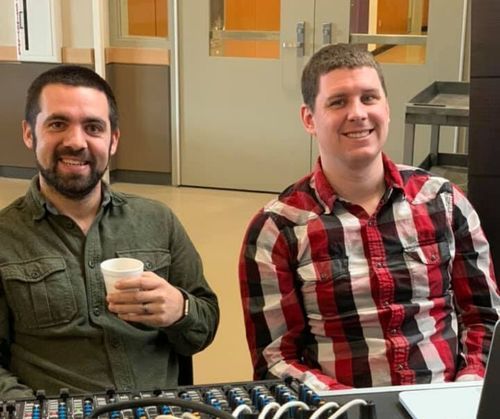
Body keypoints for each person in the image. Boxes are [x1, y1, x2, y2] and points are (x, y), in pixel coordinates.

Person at [239, 43, 500, 391]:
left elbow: (484, 319)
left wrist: (464, 392)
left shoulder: (444, 202)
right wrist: (357, 408)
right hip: (342, 408)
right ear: (309, 119)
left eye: (369, 98)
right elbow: (276, 360)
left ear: (386, 109)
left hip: (445, 401)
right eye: (338, 102)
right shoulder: (278, 230)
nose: (358, 113)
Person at [0, 65, 219, 398]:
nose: (76, 142)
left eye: (93, 127)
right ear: (29, 134)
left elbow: (204, 324)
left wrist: (180, 310)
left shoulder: (158, 220)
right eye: (57, 124)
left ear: (113, 140)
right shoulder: (6, 237)